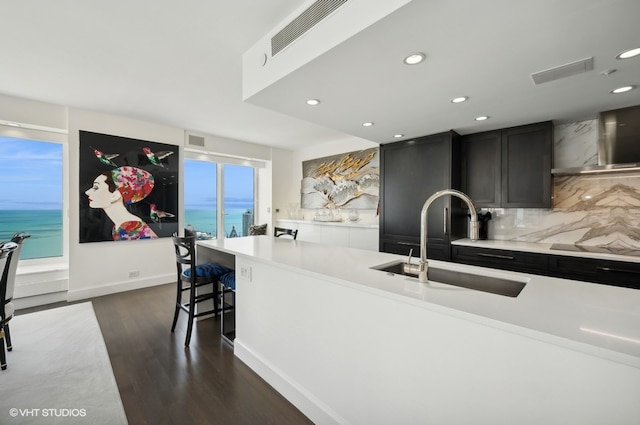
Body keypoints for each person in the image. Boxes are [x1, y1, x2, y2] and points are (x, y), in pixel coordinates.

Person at [85, 166, 157, 240]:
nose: (87, 192)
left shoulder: (130, 228)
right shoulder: (119, 226)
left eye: (96, 187)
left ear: (115, 195)